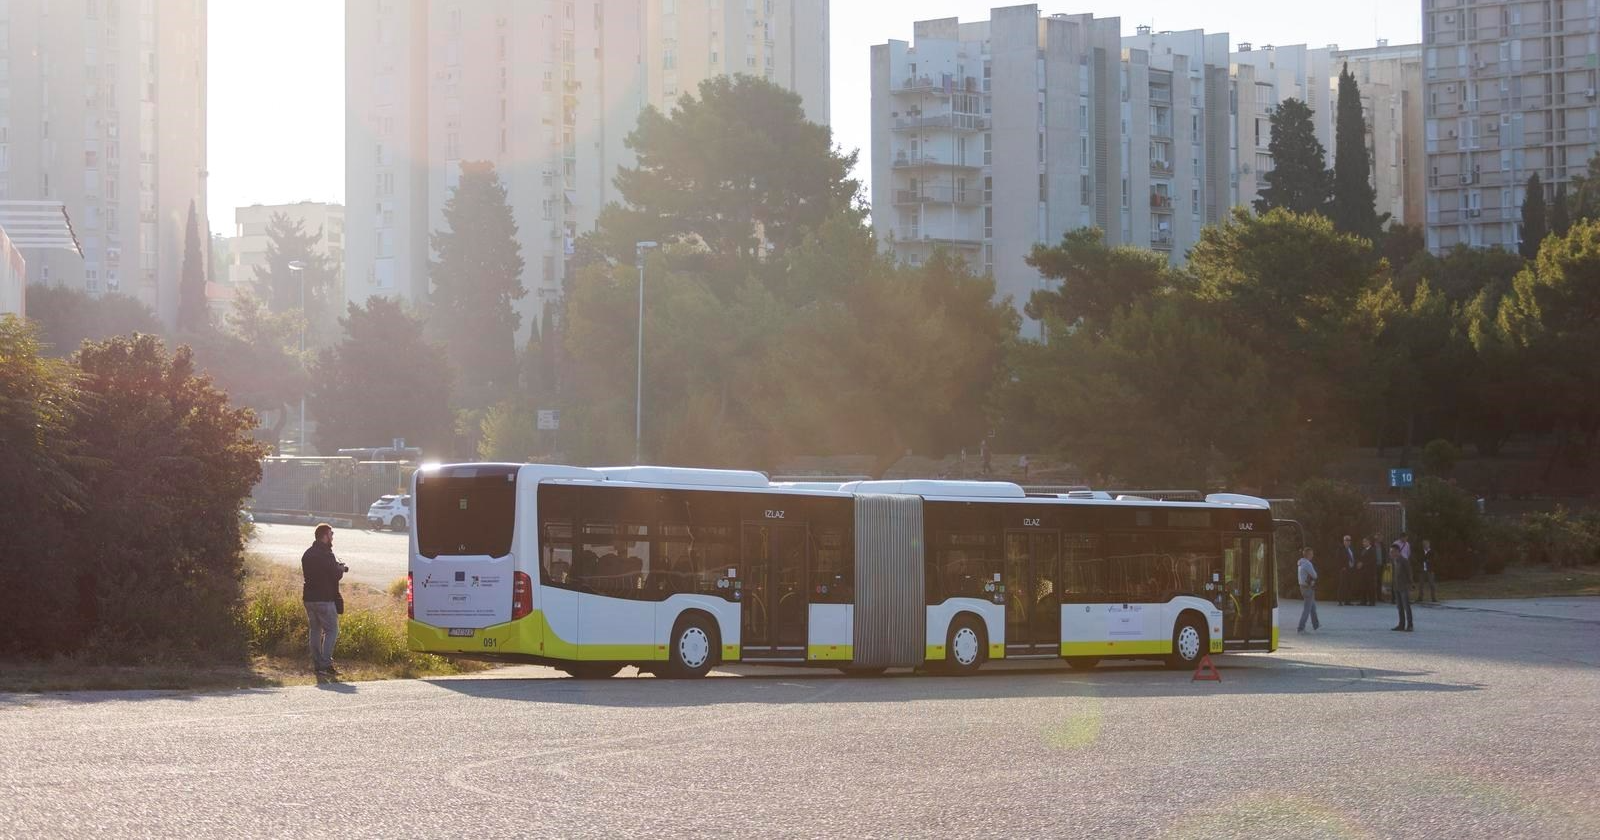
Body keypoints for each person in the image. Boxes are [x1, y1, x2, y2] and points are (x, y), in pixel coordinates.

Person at [301, 523, 348, 677]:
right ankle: (326, 664)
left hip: (309, 599)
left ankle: (317, 664)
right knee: (332, 630)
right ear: (325, 535)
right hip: (324, 599)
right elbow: (334, 575)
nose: (332, 536)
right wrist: (340, 569)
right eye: (331, 534)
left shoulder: (307, 554)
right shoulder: (327, 555)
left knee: (315, 630)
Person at [1389, 542, 1414, 632]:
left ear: (1397, 551)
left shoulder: (1404, 561)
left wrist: (1411, 585)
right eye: (1390, 552)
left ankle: (1410, 625)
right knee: (1399, 607)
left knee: (1406, 606)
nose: (1390, 554)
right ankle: (1401, 624)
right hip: (1396, 587)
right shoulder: (1394, 561)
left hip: (1404, 587)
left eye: (1392, 552)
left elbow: (1409, 573)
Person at [1296, 547, 1320, 633]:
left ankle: (1316, 625)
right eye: (1312, 554)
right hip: (1308, 587)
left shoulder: (1300, 563)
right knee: (1307, 609)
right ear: (1308, 554)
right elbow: (1315, 575)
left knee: (1312, 607)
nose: (1313, 555)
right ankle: (1301, 627)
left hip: (1302, 586)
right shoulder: (1307, 564)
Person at [1338, 535, 1358, 605]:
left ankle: (1347, 601)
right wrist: (1342, 567)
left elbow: (1354, 557)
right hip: (1344, 569)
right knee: (1342, 585)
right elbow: (1338, 559)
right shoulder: (1340, 549)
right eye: (1346, 540)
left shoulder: (1352, 548)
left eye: (1349, 540)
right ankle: (1340, 601)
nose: (1348, 541)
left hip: (1351, 569)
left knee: (1349, 585)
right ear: (1343, 541)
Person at [1358, 536, 1378, 606]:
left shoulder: (1372, 550)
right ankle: (1363, 601)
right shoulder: (1363, 550)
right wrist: (1359, 564)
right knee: (1363, 586)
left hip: (1370, 572)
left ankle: (1372, 601)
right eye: (1363, 541)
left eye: (1365, 541)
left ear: (1369, 542)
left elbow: (1372, 560)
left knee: (1370, 587)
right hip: (1363, 572)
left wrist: (1362, 564)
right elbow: (1361, 559)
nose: (1363, 543)